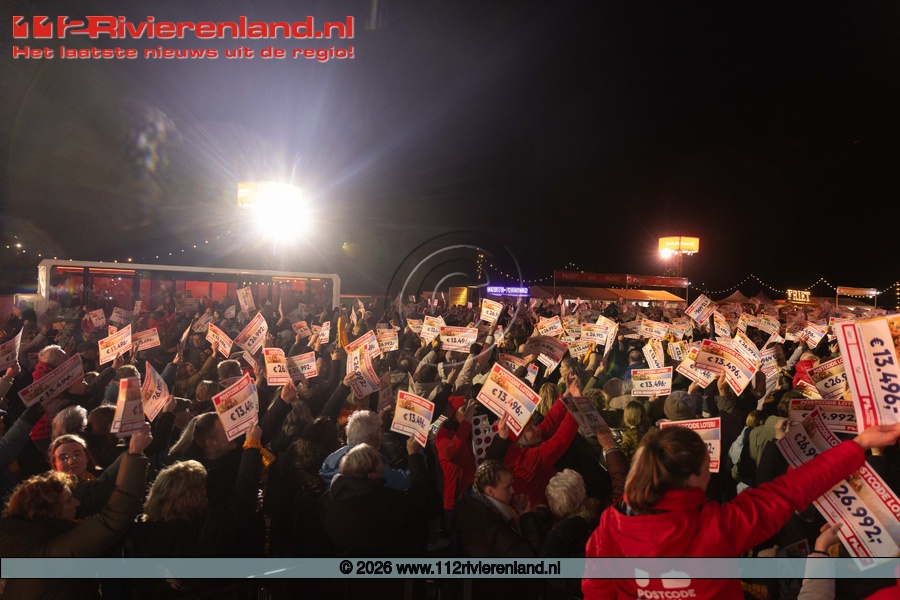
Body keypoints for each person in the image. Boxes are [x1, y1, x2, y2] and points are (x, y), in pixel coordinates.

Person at [582, 422, 900, 599]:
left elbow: (597, 592)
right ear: (692, 477)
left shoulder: (609, 527)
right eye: (707, 466)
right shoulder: (719, 528)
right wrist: (859, 444)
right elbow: (791, 491)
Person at [0, 425, 151, 600]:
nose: (76, 503)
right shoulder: (48, 552)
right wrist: (134, 453)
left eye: (77, 454)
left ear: (87, 457)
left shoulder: (31, 534)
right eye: (68, 501)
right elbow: (112, 518)